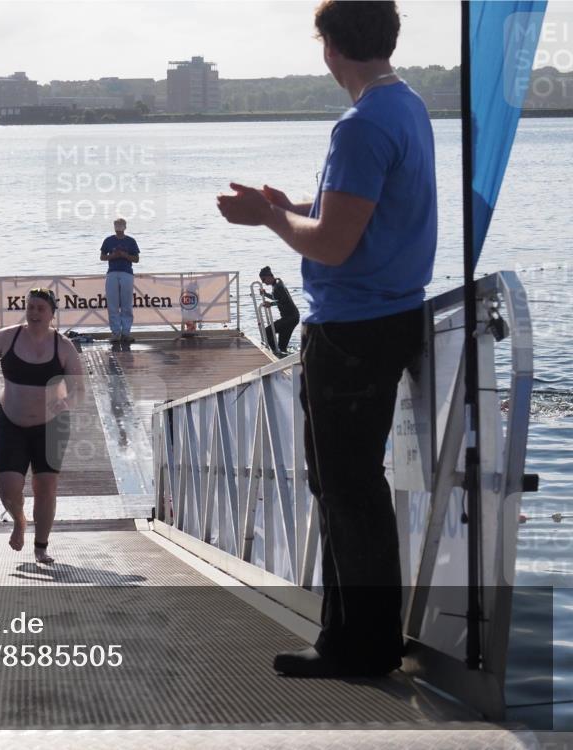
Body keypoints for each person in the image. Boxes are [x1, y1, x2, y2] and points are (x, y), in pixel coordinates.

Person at [216, 0, 435, 678]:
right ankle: (363, 636)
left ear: (329, 47)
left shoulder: (361, 124)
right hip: (391, 316)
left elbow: (335, 244)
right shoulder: (409, 107)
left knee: (343, 487)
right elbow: (362, 215)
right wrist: (292, 209)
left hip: (351, 329)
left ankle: (358, 646)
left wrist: (270, 218)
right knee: (354, 486)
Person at [0, 288, 85, 564]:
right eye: (30, 307)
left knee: (45, 487)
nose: (34, 313)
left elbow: (78, 388)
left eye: (40, 309)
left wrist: (67, 402)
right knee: (8, 487)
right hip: (12, 420)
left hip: (51, 425)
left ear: (51, 315)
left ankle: (41, 546)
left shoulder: (64, 346)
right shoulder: (7, 337)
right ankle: (19, 520)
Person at [99, 218, 140, 343]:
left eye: (121, 227)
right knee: (113, 304)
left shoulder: (131, 241)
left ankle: (126, 332)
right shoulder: (108, 240)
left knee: (127, 304)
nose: (119, 230)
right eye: (117, 227)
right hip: (112, 272)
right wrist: (113, 256)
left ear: (125, 227)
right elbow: (102, 257)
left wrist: (124, 255)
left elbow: (136, 259)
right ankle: (116, 333)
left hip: (126, 272)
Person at [258, 265, 300, 354]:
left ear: (269, 276)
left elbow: (284, 300)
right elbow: (277, 297)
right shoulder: (277, 283)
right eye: (262, 280)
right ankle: (280, 354)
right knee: (282, 347)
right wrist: (265, 294)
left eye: (264, 279)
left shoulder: (278, 286)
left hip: (290, 318)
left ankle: (274, 353)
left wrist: (271, 304)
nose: (263, 282)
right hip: (293, 317)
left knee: (267, 331)